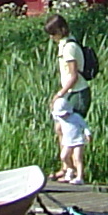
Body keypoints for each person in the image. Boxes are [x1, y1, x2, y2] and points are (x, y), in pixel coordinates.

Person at [42, 11, 91, 185]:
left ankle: (71, 170)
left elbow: (73, 76)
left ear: (61, 30)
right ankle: (66, 167)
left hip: (76, 93)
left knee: (70, 129)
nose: (51, 38)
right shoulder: (63, 44)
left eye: (53, 34)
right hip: (69, 92)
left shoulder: (69, 47)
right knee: (59, 128)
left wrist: (59, 94)